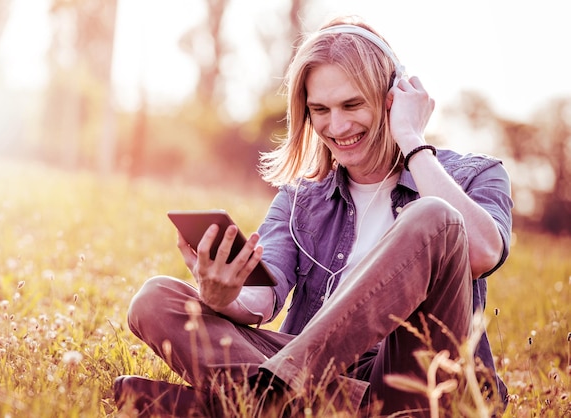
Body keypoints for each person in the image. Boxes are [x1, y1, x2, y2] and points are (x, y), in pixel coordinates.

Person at [114, 14, 513, 417]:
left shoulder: (473, 175)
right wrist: (225, 296)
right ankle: (287, 404)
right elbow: (264, 296)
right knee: (155, 299)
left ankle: (263, 397)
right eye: (320, 109)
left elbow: (481, 253)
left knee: (436, 219)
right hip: (326, 376)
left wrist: (411, 140)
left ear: (392, 96)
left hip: (423, 382)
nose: (337, 126)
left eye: (352, 104)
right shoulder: (301, 200)